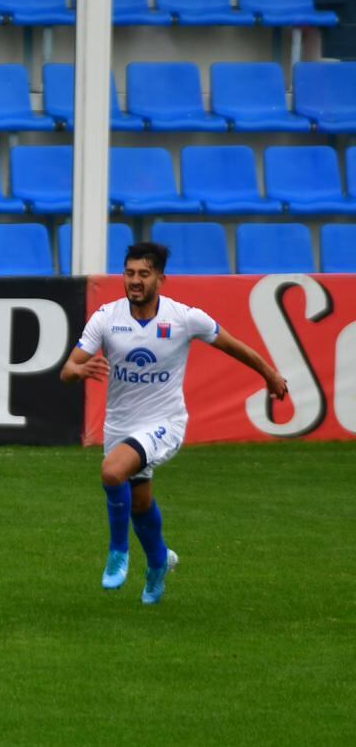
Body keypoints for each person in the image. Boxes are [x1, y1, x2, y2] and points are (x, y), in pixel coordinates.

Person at [60, 242, 288, 603]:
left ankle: (119, 553)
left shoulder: (184, 318)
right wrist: (79, 369)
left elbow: (233, 346)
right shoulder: (106, 317)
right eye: (129, 273)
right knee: (139, 503)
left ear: (161, 279)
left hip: (165, 422)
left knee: (111, 472)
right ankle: (159, 562)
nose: (135, 281)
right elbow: (67, 369)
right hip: (120, 424)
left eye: (144, 275)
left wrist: (270, 374)